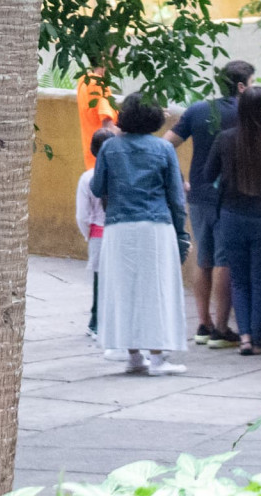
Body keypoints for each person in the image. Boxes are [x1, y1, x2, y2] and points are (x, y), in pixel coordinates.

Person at [89, 91, 190, 376]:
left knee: (124, 289)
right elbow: (175, 196)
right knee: (156, 290)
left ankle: (133, 355)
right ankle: (158, 357)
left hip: (119, 227)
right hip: (155, 227)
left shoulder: (110, 148)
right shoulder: (163, 149)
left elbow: (97, 188)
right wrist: (181, 233)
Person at [164, 59, 255, 346]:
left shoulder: (198, 110)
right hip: (232, 197)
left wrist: (179, 180)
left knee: (203, 258)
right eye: (252, 84)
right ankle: (221, 328)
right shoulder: (247, 113)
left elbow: (165, 145)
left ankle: (202, 324)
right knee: (224, 261)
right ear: (241, 86)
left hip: (199, 194)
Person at [202, 85, 261, 355]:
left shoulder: (224, 139)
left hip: (232, 218)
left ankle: (243, 337)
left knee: (239, 280)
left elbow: (208, 176)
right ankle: (256, 340)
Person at [75, 124, 119, 341]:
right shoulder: (121, 174)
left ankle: (96, 323)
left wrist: (88, 234)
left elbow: (82, 215)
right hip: (119, 231)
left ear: (92, 150)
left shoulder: (87, 178)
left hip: (98, 234)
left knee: (99, 280)